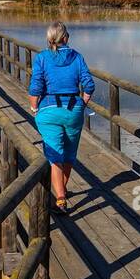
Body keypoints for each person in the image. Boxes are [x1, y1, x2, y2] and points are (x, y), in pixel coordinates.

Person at [28, 22, 95, 214]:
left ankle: (60, 198)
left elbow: (35, 87)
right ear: (66, 37)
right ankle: (61, 192)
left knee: (55, 155)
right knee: (69, 153)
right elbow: (89, 85)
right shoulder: (77, 57)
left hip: (48, 111)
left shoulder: (42, 57)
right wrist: (82, 103)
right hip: (73, 110)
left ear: (49, 39)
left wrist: (34, 107)